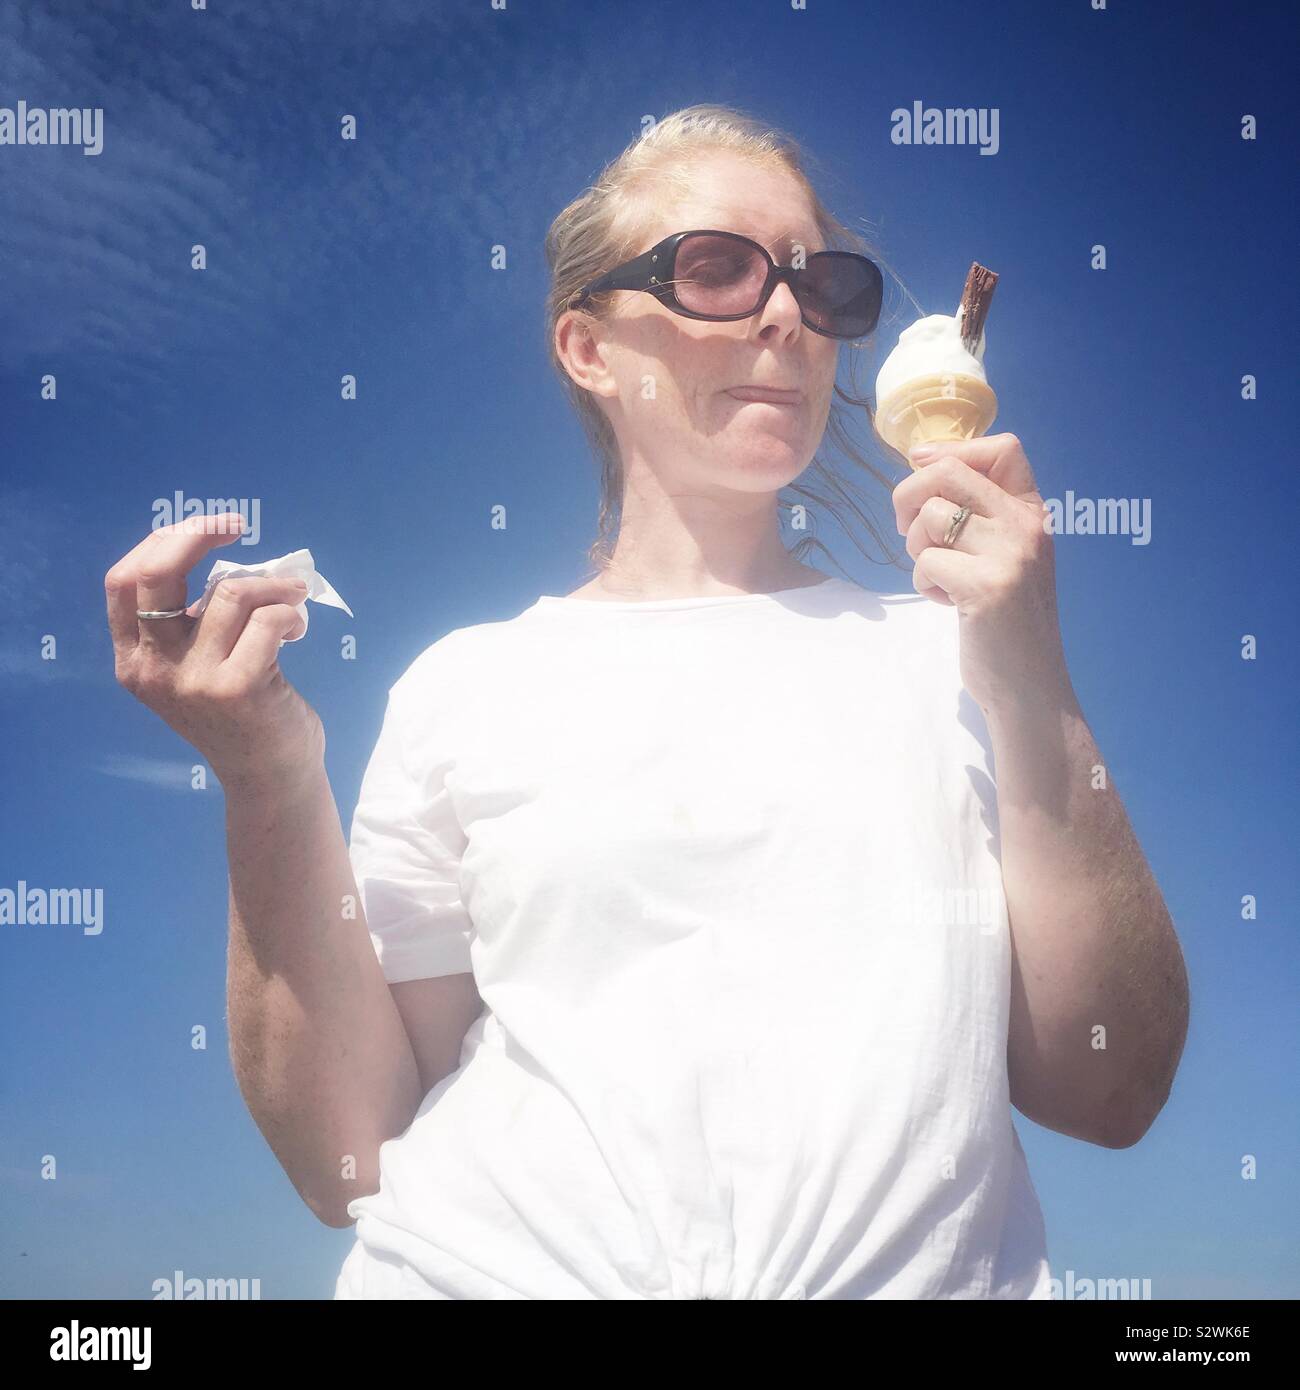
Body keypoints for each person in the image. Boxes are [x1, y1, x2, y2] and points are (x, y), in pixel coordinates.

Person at [104, 104, 1188, 1300]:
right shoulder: (462, 689)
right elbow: (347, 1156)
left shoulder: (954, 660)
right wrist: (266, 779)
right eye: (715, 268)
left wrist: (1032, 675)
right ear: (587, 348)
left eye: (821, 284)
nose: (785, 312)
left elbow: (1112, 1089)